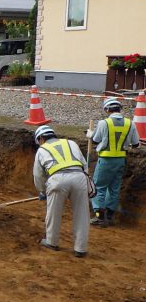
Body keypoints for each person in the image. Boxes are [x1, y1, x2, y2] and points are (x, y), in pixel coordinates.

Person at [33, 125, 91, 258]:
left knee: (54, 213)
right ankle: (81, 248)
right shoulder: (71, 143)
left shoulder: (42, 149)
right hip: (79, 177)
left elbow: (38, 175)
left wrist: (42, 191)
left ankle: (52, 242)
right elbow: (84, 165)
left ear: (41, 138)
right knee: (82, 214)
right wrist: (86, 181)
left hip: (58, 180)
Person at [87, 97, 140, 227]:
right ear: (119, 109)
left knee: (99, 187)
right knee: (114, 189)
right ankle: (109, 216)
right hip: (120, 160)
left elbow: (95, 139)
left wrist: (90, 134)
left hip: (106, 159)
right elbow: (136, 144)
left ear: (107, 109)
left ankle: (99, 217)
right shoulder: (130, 123)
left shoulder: (104, 123)